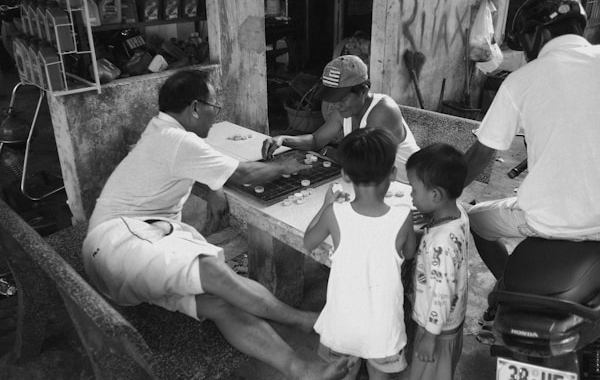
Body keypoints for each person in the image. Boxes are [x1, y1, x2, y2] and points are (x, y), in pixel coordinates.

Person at [82, 69, 353, 380]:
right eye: (214, 106)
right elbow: (247, 173)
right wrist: (286, 166)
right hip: (118, 241)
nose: (215, 115)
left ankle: (302, 370)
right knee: (212, 269)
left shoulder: (163, 133)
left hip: (129, 249)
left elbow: (199, 165)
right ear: (195, 107)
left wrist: (215, 187)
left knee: (220, 304)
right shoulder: (176, 140)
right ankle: (305, 321)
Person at [463, 0, 600, 283]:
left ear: (537, 35)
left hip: (551, 222)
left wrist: (442, 194)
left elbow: (481, 154)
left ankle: (507, 289)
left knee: (476, 220)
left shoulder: (520, 82)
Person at [303, 127, 417, 380]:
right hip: (383, 330)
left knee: (344, 374)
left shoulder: (336, 214)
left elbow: (309, 241)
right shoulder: (403, 216)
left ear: (345, 174)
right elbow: (409, 253)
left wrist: (325, 206)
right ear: (393, 173)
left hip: (342, 326)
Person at [262, 55, 420, 183]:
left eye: (342, 98)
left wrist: (327, 152)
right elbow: (316, 140)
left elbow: (365, 165)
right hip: (375, 186)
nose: (336, 105)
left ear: (364, 90)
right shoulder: (344, 109)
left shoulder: (382, 111)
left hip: (407, 187)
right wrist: (282, 139)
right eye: (333, 98)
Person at [405, 143, 470, 380]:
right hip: (452, 322)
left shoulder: (441, 243)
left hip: (437, 330)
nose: (411, 195)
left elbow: (442, 292)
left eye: (413, 190)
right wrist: (429, 216)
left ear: (435, 196)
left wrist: (429, 336)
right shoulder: (458, 213)